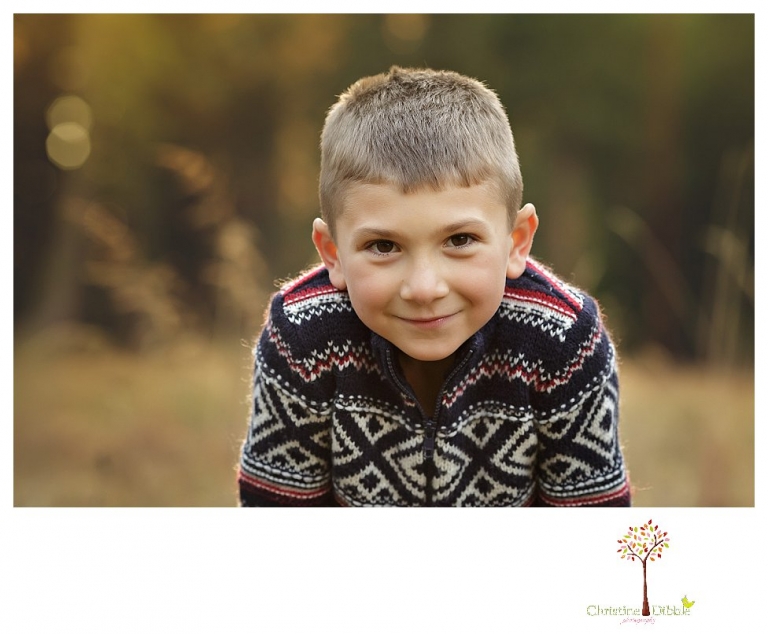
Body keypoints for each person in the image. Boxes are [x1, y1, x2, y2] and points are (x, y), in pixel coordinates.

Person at [237, 66, 631, 506]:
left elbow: (596, 541)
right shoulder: (302, 339)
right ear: (332, 254)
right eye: (383, 245)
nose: (424, 288)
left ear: (516, 241)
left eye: (460, 240)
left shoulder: (564, 342)